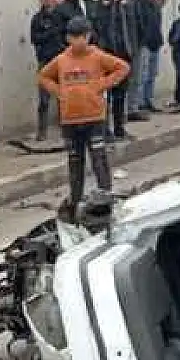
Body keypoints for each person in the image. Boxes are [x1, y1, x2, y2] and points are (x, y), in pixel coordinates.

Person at [38, 17, 129, 215]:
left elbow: (122, 67)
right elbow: (43, 76)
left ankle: (106, 198)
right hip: (70, 120)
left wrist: (101, 85)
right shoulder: (62, 59)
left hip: (94, 117)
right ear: (68, 38)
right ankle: (75, 202)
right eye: (74, 37)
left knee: (99, 159)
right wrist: (59, 91)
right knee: (75, 162)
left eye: (83, 37)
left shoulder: (97, 56)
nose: (79, 41)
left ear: (89, 36)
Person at [95, 0, 146, 140]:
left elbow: (135, 26)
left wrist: (132, 47)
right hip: (107, 54)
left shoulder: (128, 4)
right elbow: (98, 29)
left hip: (124, 54)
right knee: (106, 95)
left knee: (121, 93)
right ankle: (105, 130)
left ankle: (119, 128)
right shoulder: (101, 6)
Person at [30, 0, 61, 140]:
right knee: (44, 100)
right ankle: (42, 131)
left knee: (64, 98)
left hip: (61, 61)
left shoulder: (61, 15)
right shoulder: (37, 19)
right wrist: (50, 32)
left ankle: (66, 128)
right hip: (45, 62)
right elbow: (35, 39)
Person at [136, 0, 167, 113]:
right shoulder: (141, 4)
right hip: (145, 44)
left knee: (152, 75)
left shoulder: (157, 6)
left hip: (155, 43)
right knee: (143, 75)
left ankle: (148, 100)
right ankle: (140, 103)